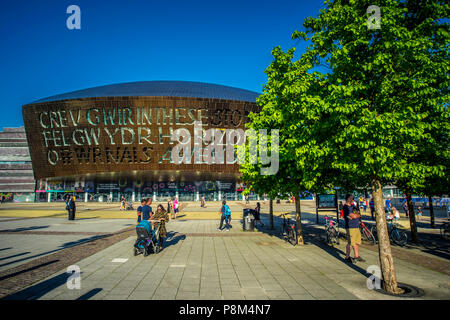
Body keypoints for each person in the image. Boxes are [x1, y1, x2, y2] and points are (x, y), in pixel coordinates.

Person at [343, 194, 365, 263]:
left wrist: (356, 215)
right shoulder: (345, 207)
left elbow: (358, 213)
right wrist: (355, 216)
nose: (352, 200)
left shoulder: (353, 206)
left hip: (356, 225)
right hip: (350, 227)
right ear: (347, 199)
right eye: (351, 198)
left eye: (353, 198)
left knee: (357, 242)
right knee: (351, 242)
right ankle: (347, 257)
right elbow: (353, 216)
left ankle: (357, 256)